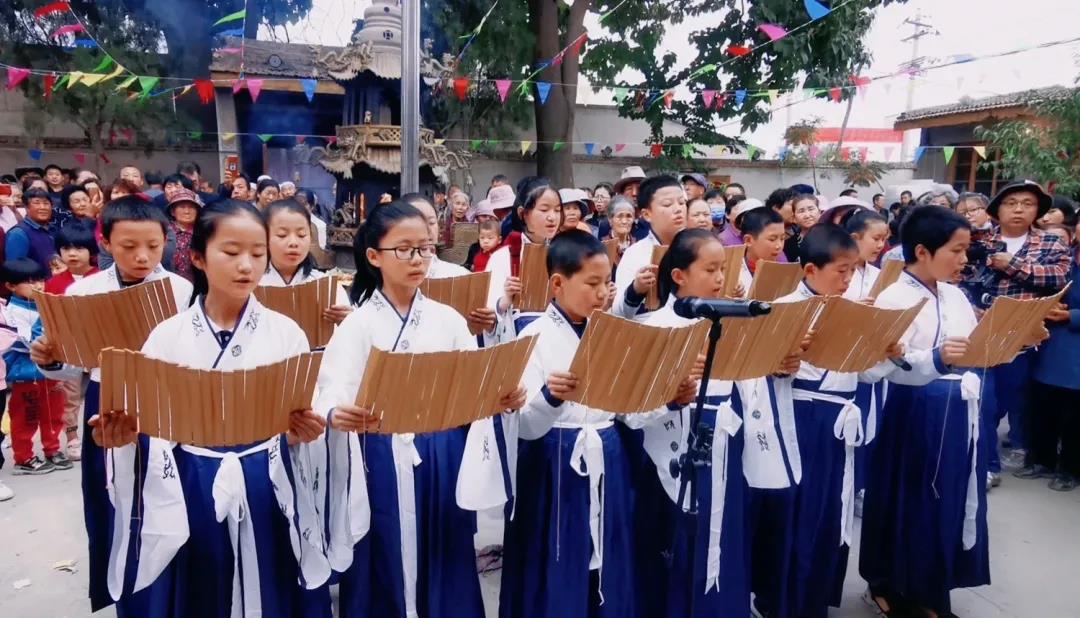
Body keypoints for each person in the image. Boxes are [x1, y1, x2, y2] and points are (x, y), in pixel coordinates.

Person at [76, 199, 331, 615]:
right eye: (230, 253)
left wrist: (306, 429)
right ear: (198, 257)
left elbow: (305, 409)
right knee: (201, 584)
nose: (246, 265)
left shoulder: (286, 333)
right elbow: (147, 421)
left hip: (265, 477)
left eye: (256, 253)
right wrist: (126, 437)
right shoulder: (167, 335)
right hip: (190, 478)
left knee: (271, 578)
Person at [314, 201, 524, 618]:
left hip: (441, 454)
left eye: (425, 249)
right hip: (379, 458)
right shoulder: (357, 324)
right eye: (404, 249)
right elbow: (328, 392)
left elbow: (473, 386)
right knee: (383, 551)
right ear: (374, 256)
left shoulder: (447, 320)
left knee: (444, 548)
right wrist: (338, 415)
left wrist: (499, 399)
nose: (417, 259)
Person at [30, 196, 194, 613]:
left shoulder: (182, 290)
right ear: (105, 241)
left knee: (171, 494)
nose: (142, 256)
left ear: (166, 242)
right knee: (114, 498)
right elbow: (72, 367)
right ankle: (127, 594)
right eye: (128, 246)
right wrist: (51, 359)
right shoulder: (84, 292)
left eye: (153, 247)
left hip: (167, 400)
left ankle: (177, 593)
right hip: (107, 400)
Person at [768, 225, 916, 618]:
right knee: (799, 514)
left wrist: (885, 350)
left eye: (853, 270)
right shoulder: (783, 308)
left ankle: (815, 599)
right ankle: (782, 602)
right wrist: (782, 364)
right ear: (810, 270)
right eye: (841, 271)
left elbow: (864, 372)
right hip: (800, 420)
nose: (849, 279)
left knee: (831, 515)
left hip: (839, 423)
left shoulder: (851, 309)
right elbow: (761, 375)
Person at [500, 230, 639, 618]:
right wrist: (548, 397)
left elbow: (628, 407)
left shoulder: (611, 334)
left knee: (606, 554)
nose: (602, 294)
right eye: (592, 283)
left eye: (607, 284)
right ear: (557, 283)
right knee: (553, 557)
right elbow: (523, 425)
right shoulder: (534, 336)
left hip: (606, 453)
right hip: (552, 461)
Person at [861, 205, 988, 618]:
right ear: (922, 250)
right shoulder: (894, 297)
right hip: (912, 413)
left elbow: (973, 347)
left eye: (966, 250)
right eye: (956, 250)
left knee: (946, 499)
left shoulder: (954, 294)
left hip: (956, 412)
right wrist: (933, 358)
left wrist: (1016, 339)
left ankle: (932, 590)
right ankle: (894, 587)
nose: (964, 260)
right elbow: (876, 365)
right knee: (910, 500)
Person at [633, 228, 762, 617]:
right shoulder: (651, 327)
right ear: (679, 275)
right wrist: (671, 395)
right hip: (668, 454)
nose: (721, 279)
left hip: (722, 448)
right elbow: (631, 410)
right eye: (710, 269)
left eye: (723, 269)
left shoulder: (730, 323)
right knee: (673, 546)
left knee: (722, 539)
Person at [974, 181, 1072, 474]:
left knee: (1013, 396)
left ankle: (1017, 448)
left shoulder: (1052, 242)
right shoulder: (979, 239)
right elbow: (960, 274)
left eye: (1027, 204)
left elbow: (1057, 277)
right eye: (1011, 202)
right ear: (997, 209)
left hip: (1023, 336)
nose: (1018, 209)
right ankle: (984, 461)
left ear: (1037, 210)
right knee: (982, 401)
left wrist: (1012, 264)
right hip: (980, 330)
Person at [2, 258, 68, 475]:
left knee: (54, 411)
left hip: (51, 369)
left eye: (40, 280)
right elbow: (20, 340)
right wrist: (45, 330)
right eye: (30, 282)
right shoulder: (9, 311)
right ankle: (24, 457)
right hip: (26, 373)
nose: (38, 286)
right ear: (11, 285)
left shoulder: (46, 303)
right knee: (26, 415)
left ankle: (53, 449)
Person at [44, 221, 101, 460]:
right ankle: (72, 438)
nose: (73, 253)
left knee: (101, 393)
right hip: (70, 347)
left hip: (99, 346)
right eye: (66, 249)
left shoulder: (103, 279)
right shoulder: (54, 284)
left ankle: (101, 431)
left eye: (79, 248)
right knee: (70, 395)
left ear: (92, 250)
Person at [1029, 239, 1080, 491]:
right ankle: (1043, 460)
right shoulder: (1062, 257)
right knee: (1045, 402)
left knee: (1074, 412)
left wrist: (1073, 315)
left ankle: (1070, 469)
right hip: (1053, 340)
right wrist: (1049, 303)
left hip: (1075, 341)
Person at [486, 178, 563, 338]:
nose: (552, 217)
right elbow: (488, 316)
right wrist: (505, 299)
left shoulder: (564, 254)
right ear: (523, 213)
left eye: (557, 210)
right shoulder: (502, 258)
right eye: (544, 210)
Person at [260, 198, 352, 324]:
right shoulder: (254, 284)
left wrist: (349, 321)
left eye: (302, 235)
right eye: (282, 235)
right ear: (264, 238)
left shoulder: (326, 286)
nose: (293, 243)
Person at [611, 175, 687, 318]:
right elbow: (618, 313)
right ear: (646, 214)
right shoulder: (635, 254)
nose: (678, 209)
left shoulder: (697, 247)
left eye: (682, 202)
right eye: (667, 204)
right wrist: (636, 290)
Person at [735, 206, 787, 294]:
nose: (779, 246)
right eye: (772, 239)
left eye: (782, 238)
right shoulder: (733, 274)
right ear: (748, 240)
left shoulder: (786, 274)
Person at [5, 188, 56, 274]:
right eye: (37, 203)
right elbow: (16, 269)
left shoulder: (54, 229)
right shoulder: (18, 233)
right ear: (26, 207)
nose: (42, 207)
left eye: (46, 203)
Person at [167, 188, 201, 281]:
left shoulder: (203, 232)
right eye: (182, 207)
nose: (187, 211)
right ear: (172, 212)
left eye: (191, 207)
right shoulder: (165, 232)